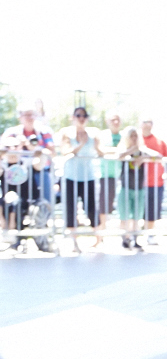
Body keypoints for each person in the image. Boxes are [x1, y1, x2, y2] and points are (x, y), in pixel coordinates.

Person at [57, 106, 102, 253]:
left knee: (91, 208)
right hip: (71, 176)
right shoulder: (66, 133)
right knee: (71, 208)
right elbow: (64, 151)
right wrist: (81, 144)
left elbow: (100, 151)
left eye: (84, 115)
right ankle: (74, 242)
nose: (81, 118)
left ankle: (98, 239)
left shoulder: (93, 133)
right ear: (73, 117)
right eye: (78, 115)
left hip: (88, 176)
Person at [115, 126, 160, 250]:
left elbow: (159, 156)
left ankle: (135, 238)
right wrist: (131, 151)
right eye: (131, 136)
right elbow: (118, 156)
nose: (134, 138)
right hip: (126, 187)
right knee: (124, 216)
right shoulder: (124, 150)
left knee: (136, 216)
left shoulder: (142, 150)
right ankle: (125, 238)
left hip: (139, 188)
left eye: (136, 136)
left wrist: (143, 158)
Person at [2, 105, 54, 207]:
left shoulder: (44, 132)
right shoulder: (11, 132)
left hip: (39, 170)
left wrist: (33, 148)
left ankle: (43, 220)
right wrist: (16, 145)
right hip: (16, 170)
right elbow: (2, 148)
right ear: (20, 117)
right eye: (27, 115)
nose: (30, 118)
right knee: (13, 200)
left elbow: (52, 152)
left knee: (43, 199)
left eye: (32, 115)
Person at [140, 119, 167, 245]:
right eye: (145, 122)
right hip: (139, 183)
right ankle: (136, 235)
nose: (148, 124)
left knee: (152, 211)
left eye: (150, 122)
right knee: (138, 210)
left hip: (156, 183)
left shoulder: (160, 141)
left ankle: (149, 235)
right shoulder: (136, 140)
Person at [96, 112, 124, 246]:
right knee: (103, 207)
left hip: (122, 175)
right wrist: (118, 152)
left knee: (122, 207)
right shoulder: (103, 135)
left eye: (117, 119)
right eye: (113, 119)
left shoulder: (124, 136)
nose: (116, 122)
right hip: (105, 175)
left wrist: (115, 151)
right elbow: (101, 150)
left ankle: (125, 236)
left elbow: (126, 149)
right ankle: (100, 236)